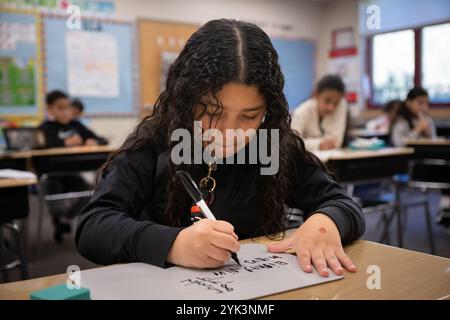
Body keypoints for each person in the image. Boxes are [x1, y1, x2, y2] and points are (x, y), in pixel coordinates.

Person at [76, 19, 365, 277]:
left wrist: (325, 222)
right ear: (187, 99)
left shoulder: (273, 145)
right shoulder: (155, 140)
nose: (228, 131)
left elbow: (344, 205)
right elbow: (93, 226)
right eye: (212, 111)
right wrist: (173, 245)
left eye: (249, 116)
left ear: (267, 111)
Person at [39, 90, 103, 242]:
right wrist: (64, 143)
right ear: (49, 109)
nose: (65, 112)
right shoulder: (45, 127)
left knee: (91, 192)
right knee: (56, 201)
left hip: (73, 173)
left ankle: (66, 220)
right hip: (52, 174)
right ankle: (59, 219)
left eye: (67, 107)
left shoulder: (76, 125)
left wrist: (93, 141)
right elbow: (42, 146)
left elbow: (99, 138)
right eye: (60, 108)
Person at [291, 75, 348, 151]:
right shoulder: (301, 112)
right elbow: (293, 142)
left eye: (336, 103)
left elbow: (336, 142)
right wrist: (319, 145)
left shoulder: (341, 105)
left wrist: (308, 143)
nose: (331, 107)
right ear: (316, 94)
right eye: (327, 101)